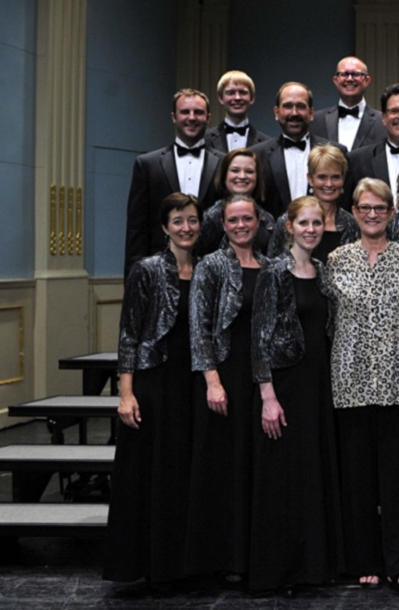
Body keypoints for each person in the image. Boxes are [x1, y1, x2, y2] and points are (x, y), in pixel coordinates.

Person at [326, 179, 399, 601]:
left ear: (391, 212)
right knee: (358, 479)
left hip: (398, 381)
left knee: (398, 481)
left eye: (380, 208)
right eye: (365, 207)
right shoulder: (336, 260)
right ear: (354, 211)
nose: (372, 214)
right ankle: (364, 559)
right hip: (349, 381)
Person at [248, 196, 344, 593]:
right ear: (289, 227)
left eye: (316, 223)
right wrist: (268, 397)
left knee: (312, 474)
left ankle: (313, 567)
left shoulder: (323, 270)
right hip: (286, 387)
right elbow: (259, 338)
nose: (311, 229)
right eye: (303, 223)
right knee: (284, 480)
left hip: (319, 386)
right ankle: (281, 570)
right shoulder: (273, 272)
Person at [105, 192, 201, 585]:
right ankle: (149, 565)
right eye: (178, 221)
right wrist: (126, 394)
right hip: (154, 383)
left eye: (192, 220)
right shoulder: (146, 270)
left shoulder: (208, 269)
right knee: (153, 475)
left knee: (183, 476)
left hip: (193, 383)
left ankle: (182, 564)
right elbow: (129, 334)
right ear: (165, 227)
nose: (186, 227)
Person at [185, 194, 266, 580]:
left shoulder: (269, 265)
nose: (240, 225)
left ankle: (252, 555)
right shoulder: (211, 265)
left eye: (247, 218)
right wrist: (212, 381)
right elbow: (198, 327)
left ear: (258, 222)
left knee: (255, 466)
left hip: (260, 377)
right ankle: (222, 559)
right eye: (233, 220)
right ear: (223, 224)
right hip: (224, 377)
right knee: (224, 467)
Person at [124, 89, 223, 274]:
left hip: (213, 271)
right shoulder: (147, 165)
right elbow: (137, 230)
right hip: (158, 272)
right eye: (185, 112)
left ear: (208, 118)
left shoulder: (224, 164)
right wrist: (133, 281)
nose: (191, 117)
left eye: (198, 112)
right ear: (173, 117)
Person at [250, 82, 343, 218]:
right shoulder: (257, 156)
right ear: (277, 113)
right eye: (287, 106)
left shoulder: (337, 152)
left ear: (311, 113)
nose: (294, 113)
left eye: (301, 106)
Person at [267, 144, 357, 262]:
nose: (329, 184)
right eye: (322, 177)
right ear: (310, 179)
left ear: (343, 180)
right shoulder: (289, 220)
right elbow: (271, 266)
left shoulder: (351, 224)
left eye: (335, 177)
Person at [196, 148, 274, 258]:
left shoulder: (267, 218)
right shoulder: (210, 218)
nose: (242, 176)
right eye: (235, 170)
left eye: (249, 171)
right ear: (224, 175)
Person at [310, 56, 387, 151]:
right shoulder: (316, 120)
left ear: (367, 81)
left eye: (356, 74)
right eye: (344, 74)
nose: (350, 79)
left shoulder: (383, 122)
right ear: (335, 80)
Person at [205, 70, 271, 152]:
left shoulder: (266, 143)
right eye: (230, 93)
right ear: (221, 98)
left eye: (243, 92)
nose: (237, 98)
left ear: (252, 98)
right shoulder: (204, 139)